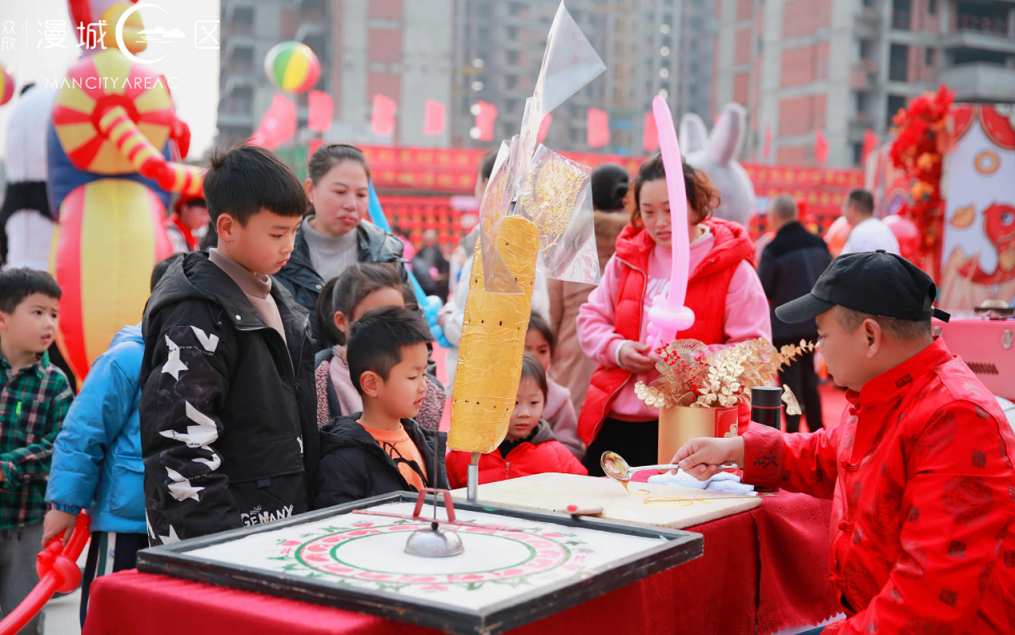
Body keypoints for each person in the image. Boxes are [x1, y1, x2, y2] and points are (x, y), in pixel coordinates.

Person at [674, 251, 1015, 635]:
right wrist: (737, 449)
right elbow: (830, 454)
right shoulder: (881, 392)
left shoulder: (956, 418)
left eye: (822, 336)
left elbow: (927, 602)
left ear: (870, 336)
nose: (818, 349)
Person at [140, 146, 319, 544]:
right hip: (224, 535)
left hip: (279, 521)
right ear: (227, 227)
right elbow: (180, 445)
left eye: (294, 231)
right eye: (277, 233)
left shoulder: (280, 300)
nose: (289, 245)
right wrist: (221, 544)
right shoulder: (196, 313)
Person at [577, 156, 771, 475]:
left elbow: (754, 351)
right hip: (618, 419)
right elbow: (590, 319)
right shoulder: (627, 258)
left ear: (696, 205)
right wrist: (619, 350)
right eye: (649, 212)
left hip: (691, 423)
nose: (660, 222)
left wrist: (689, 361)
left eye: (670, 210)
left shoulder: (730, 266)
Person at [44, 254, 182, 626]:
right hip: (127, 520)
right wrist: (65, 504)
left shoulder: (202, 360)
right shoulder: (127, 359)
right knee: (111, 613)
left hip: (183, 519)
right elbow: (83, 434)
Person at [0, 268, 73, 635]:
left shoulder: (56, 383)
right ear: (3, 318)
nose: (49, 323)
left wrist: (8, 467)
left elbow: (58, 444)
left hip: (28, 521)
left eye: (54, 314)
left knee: (24, 615)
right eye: (38, 312)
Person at [314, 306, 446, 508]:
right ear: (371, 384)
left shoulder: (425, 442)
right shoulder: (342, 461)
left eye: (423, 374)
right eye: (412, 377)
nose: (424, 386)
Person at [274, 144, 404, 347]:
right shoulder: (278, 251)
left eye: (361, 195)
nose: (352, 204)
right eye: (340, 191)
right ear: (310, 189)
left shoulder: (385, 253)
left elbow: (411, 334)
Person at [441, 152, 550, 394]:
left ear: (486, 184)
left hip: (490, 385)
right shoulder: (501, 240)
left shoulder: (506, 245)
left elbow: (492, 324)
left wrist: (448, 321)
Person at [314, 263, 445, 431]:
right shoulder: (317, 385)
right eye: (377, 318)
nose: (390, 329)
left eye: (397, 317)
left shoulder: (429, 394)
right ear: (342, 321)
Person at [546, 162, 630, 420]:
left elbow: (551, 318)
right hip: (625, 370)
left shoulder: (568, 246)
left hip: (574, 369)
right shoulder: (640, 244)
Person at [446, 353, 587, 488]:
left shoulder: (557, 456)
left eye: (534, 402)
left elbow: (583, 492)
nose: (525, 413)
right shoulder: (464, 455)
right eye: (514, 403)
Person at [757, 194, 832, 433]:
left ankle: (791, 432)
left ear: (775, 217)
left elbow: (763, 288)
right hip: (815, 321)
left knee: (789, 381)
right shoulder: (818, 243)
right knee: (809, 376)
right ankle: (817, 429)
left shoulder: (774, 248)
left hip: (784, 324)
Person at [525, 314, 582, 458]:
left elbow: (572, 449)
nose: (535, 357)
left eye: (542, 351)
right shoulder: (496, 397)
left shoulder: (560, 399)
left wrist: (541, 458)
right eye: (525, 349)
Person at [838, 189, 899, 256]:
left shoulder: (860, 235)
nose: (842, 211)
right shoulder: (885, 230)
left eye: (844, 206)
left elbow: (863, 265)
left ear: (852, 209)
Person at [412, 230, 450, 302]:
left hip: (435, 283)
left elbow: (443, 267)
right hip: (424, 282)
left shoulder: (439, 253)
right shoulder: (421, 252)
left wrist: (439, 275)